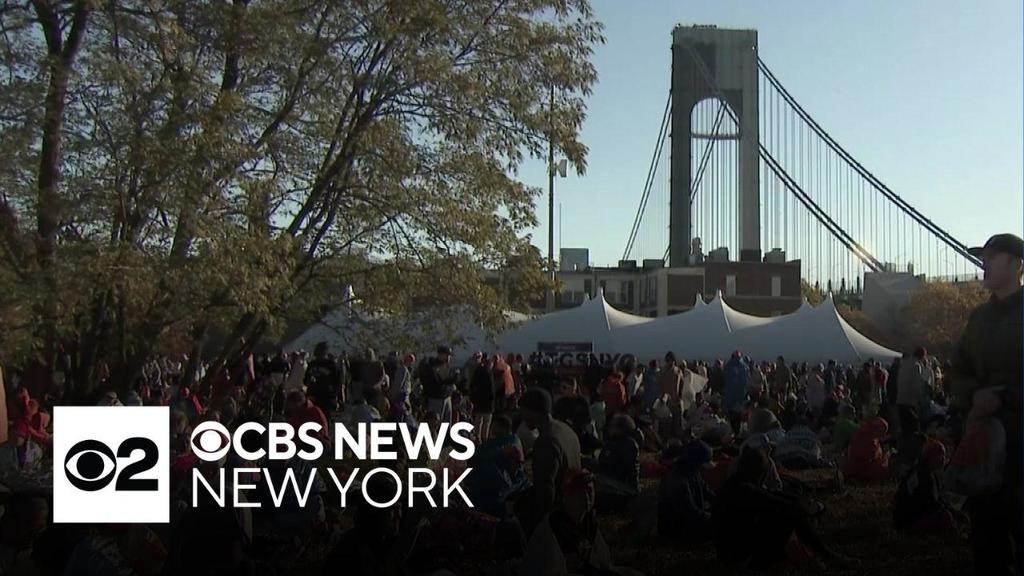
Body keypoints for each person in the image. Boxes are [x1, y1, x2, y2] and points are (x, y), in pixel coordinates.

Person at [948, 233, 1023, 576]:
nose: (984, 263)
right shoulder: (978, 318)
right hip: (984, 445)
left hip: (1019, 444)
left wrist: (1003, 397)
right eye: (983, 256)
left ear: (1017, 265)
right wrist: (972, 398)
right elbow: (957, 369)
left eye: (993, 257)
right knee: (986, 542)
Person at [714, 446, 851, 570]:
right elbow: (791, 507)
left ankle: (821, 554)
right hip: (741, 559)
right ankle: (826, 555)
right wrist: (811, 508)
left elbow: (774, 497)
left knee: (789, 505)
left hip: (728, 554)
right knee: (792, 513)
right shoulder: (746, 490)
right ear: (758, 473)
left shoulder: (732, 485)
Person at [520, 388, 582, 533]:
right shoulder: (565, 429)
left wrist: (541, 528)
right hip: (575, 502)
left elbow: (546, 491)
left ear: (534, 411)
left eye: (524, 411)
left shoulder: (546, 441)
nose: (522, 416)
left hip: (561, 512)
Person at [658, 439, 715, 541]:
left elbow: (707, 491)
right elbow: (689, 512)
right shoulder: (677, 480)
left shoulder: (692, 471)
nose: (703, 470)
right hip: (676, 529)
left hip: (689, 518)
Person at [897, 348, 932, 437]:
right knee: (913, 429)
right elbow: (916, 386)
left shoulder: (904, 363)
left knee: (904, 428)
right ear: (922, 356)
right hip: (910, 402)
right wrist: (921, 398)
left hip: (900, 399)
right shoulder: (916, 366)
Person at [844, 417, 890, 482]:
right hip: (865, 470)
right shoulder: (870, 440)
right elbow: (869, 458)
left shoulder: (862, 433)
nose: (883, 435)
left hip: (853, 468)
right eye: (882, 432)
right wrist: (885, 456)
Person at [656, 353, 685, 438]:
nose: (670, 362)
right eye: (668, 360)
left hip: (675, 402)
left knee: (677, 425)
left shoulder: (678, 371)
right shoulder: (662, 372)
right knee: (666, 426)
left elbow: (681, 385)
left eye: (671, 360)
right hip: (666, 402)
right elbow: (659, 385)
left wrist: (679, 397)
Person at [470, 359, 496, 443]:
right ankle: (484, 440)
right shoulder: (489, 374)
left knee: (478, 421)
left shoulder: (478, 373)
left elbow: (472, 386)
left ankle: (477, 438)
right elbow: (491, 390)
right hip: (487, 403)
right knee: (486, 423)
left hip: (479, 402)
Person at [722, 352, 748, 434]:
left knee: (732, 417)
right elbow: (746, 381)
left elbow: (725, 378)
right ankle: (737, 432)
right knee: (739, 416)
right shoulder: (744, 366)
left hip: (731, 396)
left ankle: (733, 433)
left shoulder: (728, 366)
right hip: (740, 395)